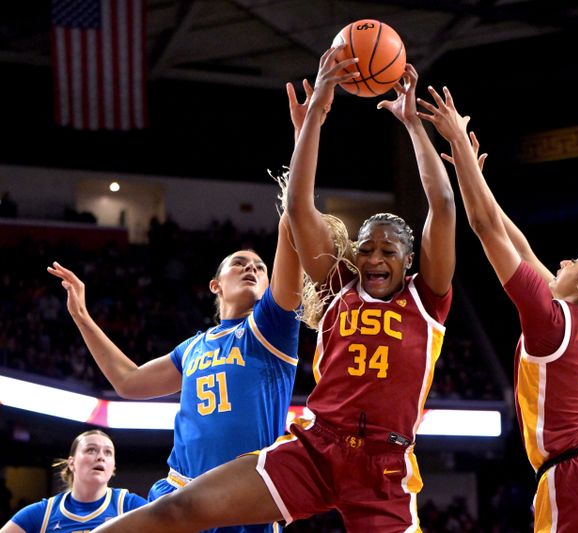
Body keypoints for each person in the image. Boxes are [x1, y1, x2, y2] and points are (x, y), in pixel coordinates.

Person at [90, 44, 456, 533]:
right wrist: (314, 121)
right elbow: (298, 208)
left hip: (384, 468)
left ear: (408, 261)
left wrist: (413, 125)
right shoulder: (336, 289)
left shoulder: (426, 298)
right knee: (178, 510)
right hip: (318, 446)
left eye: (388, 251)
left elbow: (444, 207)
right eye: (366, 248)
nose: (373, 258)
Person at [417, 86, 578, 532]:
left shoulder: (550, 320)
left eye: (575, 261)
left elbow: (484, 227)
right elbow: (519, 243)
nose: (564, 261)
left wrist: (457, 138)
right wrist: (475, 178)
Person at [46, 216, 303, 532]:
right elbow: (128, 381)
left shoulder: (271, 330)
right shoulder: (192, 347)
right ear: (215, 284)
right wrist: (81, 316)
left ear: (268, 286)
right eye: (239, 263)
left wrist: (291, 207)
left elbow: (292, 230)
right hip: (181, 489)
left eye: (260, 267)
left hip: (245, 501)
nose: (251, 268)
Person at [0, 430, 146, 533]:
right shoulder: (44, 513)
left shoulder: (129, 505)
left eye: (108, 452)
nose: (101, 457)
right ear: (71, 463)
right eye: (91, 450)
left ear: (113, 466)